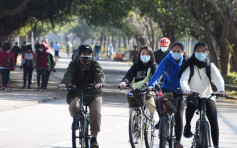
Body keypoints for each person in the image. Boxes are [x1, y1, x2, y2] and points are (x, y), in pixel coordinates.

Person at [179, 42, 226, 148]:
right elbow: (183, 79)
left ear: (207, 53)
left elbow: (218, 78)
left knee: (213, 120)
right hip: (192, 95)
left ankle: (216, 146)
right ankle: (187, 126)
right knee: (191, 105)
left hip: (208, 96)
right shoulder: (189, 65)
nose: (201, 53)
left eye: (203, 51)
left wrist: (221, 90)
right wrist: (186, 89)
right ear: (194, 52)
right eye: (198, 51)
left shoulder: (210, 65)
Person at [59, 44, 104, 147]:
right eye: (84, 54)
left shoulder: (95, 64)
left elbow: (99, 74)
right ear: (79, 54)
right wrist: (64, 83)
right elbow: (68, 74)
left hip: (93, 93)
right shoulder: (73, 64)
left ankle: (94, 138)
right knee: (73, 107)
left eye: (89, 54)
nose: (87, 56)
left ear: (92, 55)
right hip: (76, 92)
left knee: (96, 113)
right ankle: (77, 119)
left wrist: (99, 82)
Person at [148, 42, 186, 148]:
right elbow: (158, 72)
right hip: (167, 89)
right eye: (174, 51)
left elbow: (189, 77)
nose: (176, 53)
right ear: (171, 51)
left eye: (179, 51)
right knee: (159, 101)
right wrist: (151, 84)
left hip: (180, 91)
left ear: (183, 53)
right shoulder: (167, 60)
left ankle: (178, 141)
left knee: (179, 114)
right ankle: (162, 121)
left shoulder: (185, 62)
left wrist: (187, 89)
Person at [119, 45, 159, 122]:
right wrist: (124, 82)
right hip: (137, 90)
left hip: (149, 89)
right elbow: (129, 75)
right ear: (139, 55)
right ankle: (135, 124)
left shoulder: (154, 66)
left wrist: (153, 85)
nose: (145, 56)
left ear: (151, 55)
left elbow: (156, 77)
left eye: (147, 54)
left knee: (149, 96)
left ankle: (153, 113)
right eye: (142, 54)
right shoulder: (136, 66)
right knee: (133, 105)